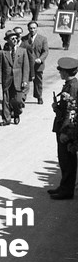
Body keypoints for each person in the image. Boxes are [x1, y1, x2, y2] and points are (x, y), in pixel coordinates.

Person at [49, 57, 78, 200]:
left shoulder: (72, 86)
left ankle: (67, 190)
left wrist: (65, 132)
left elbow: (71, 112)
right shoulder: (69, 84)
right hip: (62, 125)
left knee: (67, 160)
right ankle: (64, 186)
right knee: (64, 159)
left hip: (66, 129)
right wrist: (57, 108)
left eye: (61, 70)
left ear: (67, 72)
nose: (59, 72)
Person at [0, 30, 29, 126]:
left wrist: (24, 80)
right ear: (7, 40)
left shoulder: (22, 51)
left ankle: (16, 113)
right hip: (7, 80)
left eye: (16, 38)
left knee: (18, 100)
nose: (15, 40)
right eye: (12, 39)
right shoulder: (3, 53)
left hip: (19, 80)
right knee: (6, 100)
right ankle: (6, 119)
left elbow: (26, 67)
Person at [21, 21, 48, 104]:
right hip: (27, 64)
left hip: (38, 65)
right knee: (25, 80)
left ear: (37, 28)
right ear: (28, 29)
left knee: (38, 82)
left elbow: (45, 51)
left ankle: (39, 96)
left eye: (34, 28)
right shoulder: (24, 39)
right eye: (30, 28)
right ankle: (23, 97)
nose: (32, 30)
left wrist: (40, 59)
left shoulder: (43, 39)